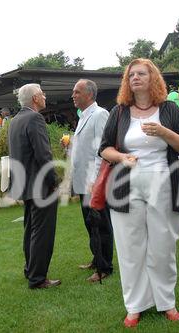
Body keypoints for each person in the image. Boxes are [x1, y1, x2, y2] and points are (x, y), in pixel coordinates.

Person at [99, 58, 179, 327]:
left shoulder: (169, 109)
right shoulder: (119, 112)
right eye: (131, 75)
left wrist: (164, 132)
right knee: (130, 248)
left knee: (162, 248)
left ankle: (167, 302)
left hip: (164, 184)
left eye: (141, 73)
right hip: (126, 186)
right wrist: (121, 157)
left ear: (153, 78)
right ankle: (135, 305)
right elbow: (104, 148)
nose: (135, 78)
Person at [8, 83, 60, 289]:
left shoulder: (15, 121)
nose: (45, 97)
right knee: (42, 232)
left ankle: (31, 270)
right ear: (36, 98)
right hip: (39, 186)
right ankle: (38, 278)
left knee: (31, 229)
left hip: (25, 184)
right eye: (43, 94)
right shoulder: (34, 118)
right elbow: (43, 155)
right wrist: (53, 181)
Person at [62, 79, 113, 282]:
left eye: (77, 92)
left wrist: (95, 181)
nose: (73, 95)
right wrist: (68, 148)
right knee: (90, 223)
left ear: (89, 95)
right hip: (83, 181)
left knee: (101, 225)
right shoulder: (83, 116)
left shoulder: (100, 114)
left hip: (95, 182)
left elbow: (102, 150)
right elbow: (82, 149)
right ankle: (96, 258)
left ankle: (105, 267)